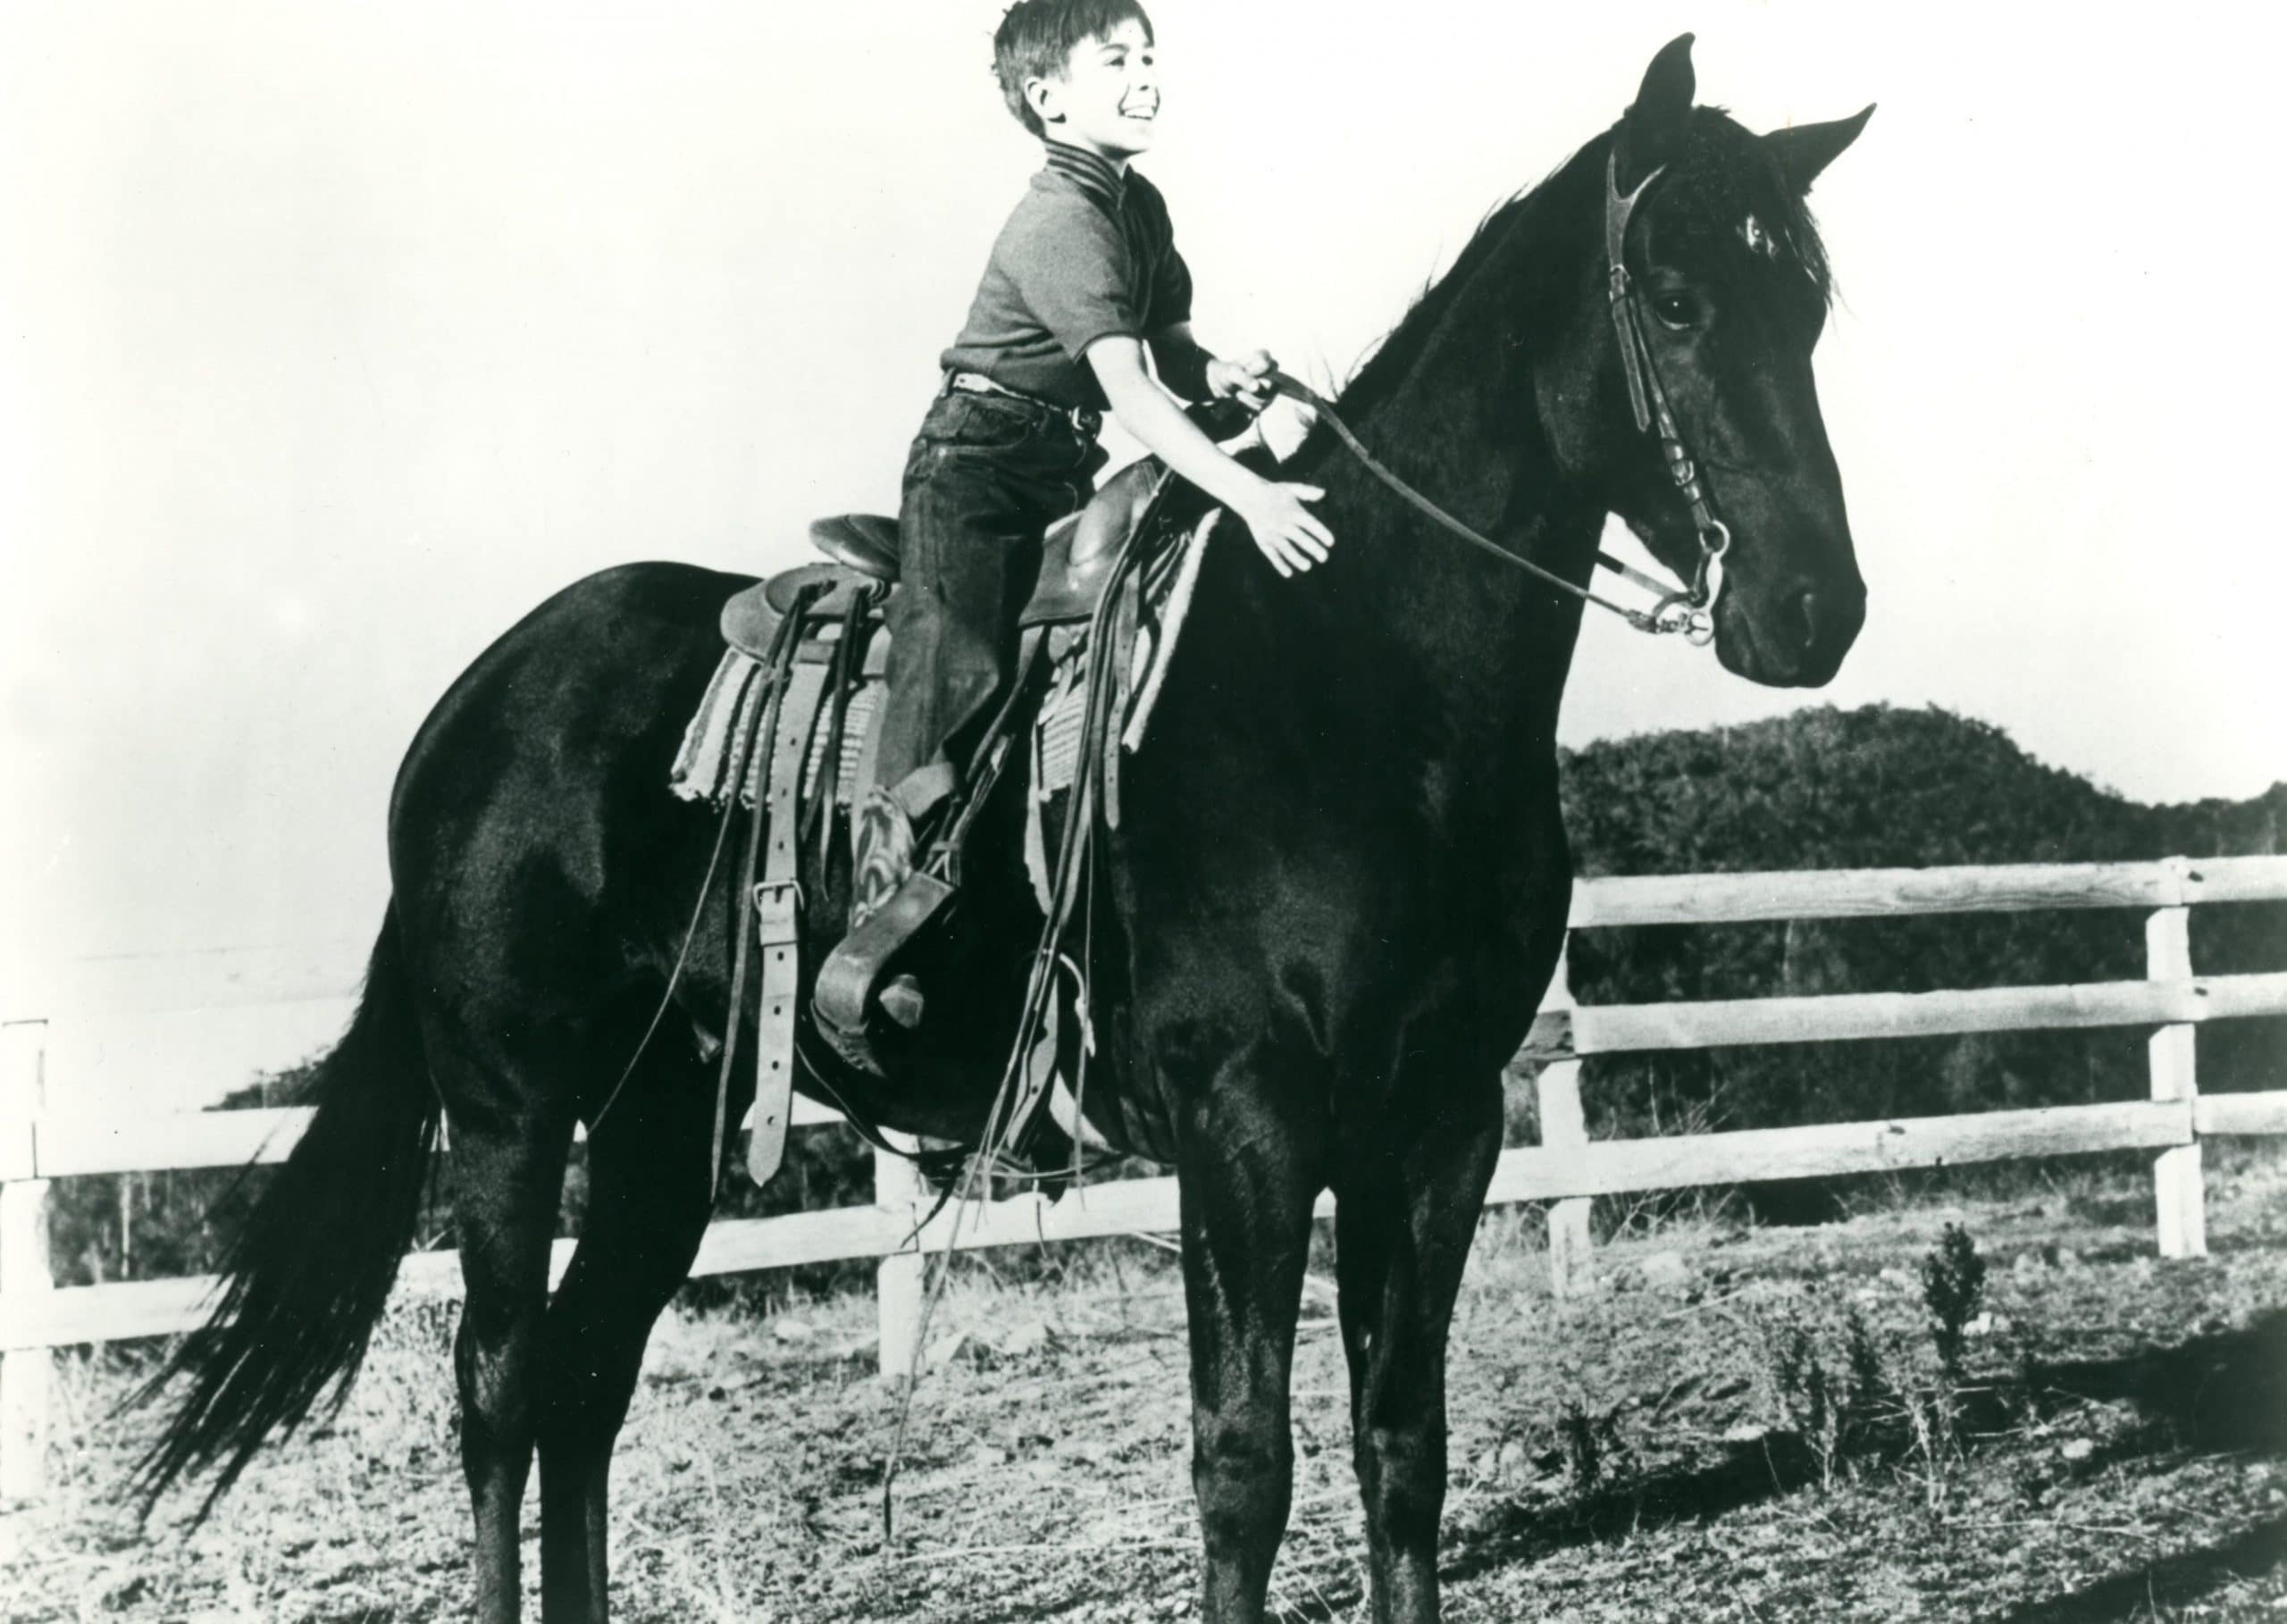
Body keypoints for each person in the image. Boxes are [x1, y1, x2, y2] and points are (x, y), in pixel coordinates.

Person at [847, 0, 1336, 947]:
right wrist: (1252, 493)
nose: (1146, 77)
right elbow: (1134, 393)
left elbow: (1172, 351)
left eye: (1149, 56)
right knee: (960, 659)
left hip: (1058, 465)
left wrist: (1220, 373)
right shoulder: (1060, 221)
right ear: (1047, 98)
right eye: (1115, 62)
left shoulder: (1136, 207)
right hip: (975, 471)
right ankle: (881, 904)